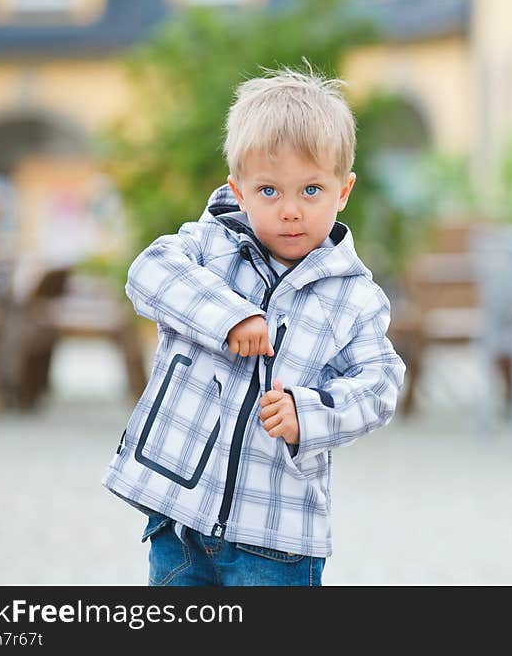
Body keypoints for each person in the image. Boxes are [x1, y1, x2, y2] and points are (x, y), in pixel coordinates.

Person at [102, 66, 406, 586]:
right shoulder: (206, 247)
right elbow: (147, 273)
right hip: (181, 516)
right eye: (269, 191)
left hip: (278, 534)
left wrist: (308, 415)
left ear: (344, 190)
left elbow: (380, 385)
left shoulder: (355, 297)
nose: (291, 211)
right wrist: (230, 316)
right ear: (238, 190)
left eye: (311, 190)